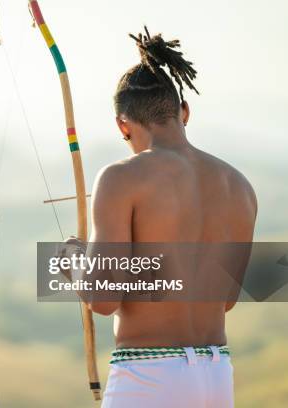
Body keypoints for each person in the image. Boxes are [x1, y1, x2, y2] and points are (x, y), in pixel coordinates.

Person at [77, 27, 257, 407]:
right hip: (216, 375)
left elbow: (104, 298)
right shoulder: (239, 186)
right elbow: (225, 300)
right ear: (184, 110)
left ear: (122, 125)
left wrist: (73, 263)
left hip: (149, 376)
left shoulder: (120, 177)